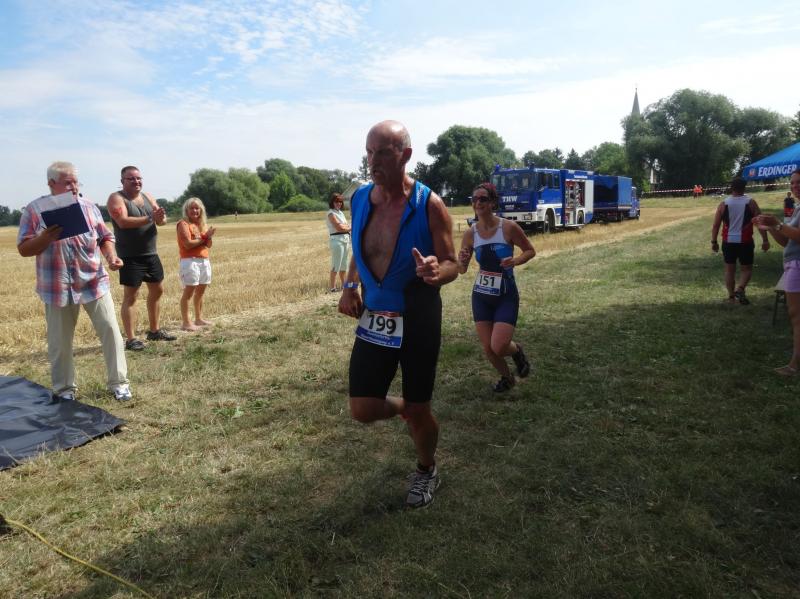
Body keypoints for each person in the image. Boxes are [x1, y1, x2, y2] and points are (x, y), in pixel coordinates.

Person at [338, 120, 458, 508]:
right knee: (363, 408)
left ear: (405, 155)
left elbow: (453, 262)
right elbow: (360, 247)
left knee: (421, 410)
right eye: (369, 152)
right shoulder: (360, 199)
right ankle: (410, 406)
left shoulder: (429, 205)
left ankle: (426, 469)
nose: (372, 161)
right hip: (376, 317)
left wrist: (438, 271)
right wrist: (350, 285)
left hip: (418, 316)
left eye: (383, 153)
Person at [17, 162, 132, 402]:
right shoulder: (34, 210)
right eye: (67, 182)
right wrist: (45, 238)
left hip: (94, 281)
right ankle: (65, 390)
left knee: (111, 331)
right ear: (51, 183)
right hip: (57, 286)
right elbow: (24, 249)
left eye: (76, 182)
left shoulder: (89, 206)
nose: (74, 187)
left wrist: (111, 256)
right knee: (60, 342)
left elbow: (105, 237)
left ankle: (119, 383)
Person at [457, 182, 535, 392]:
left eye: (483, 199)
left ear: (493, 202)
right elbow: (462, 269)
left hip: (506, 294)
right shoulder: (470, 233)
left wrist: (515, 261)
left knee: (499, 346)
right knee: (489, 349)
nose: (478, 203)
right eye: (474, 199)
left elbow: (530, 251)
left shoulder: (508, 227)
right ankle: (507, 378)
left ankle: (516, 351)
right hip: (481, 296)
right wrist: (461, 260)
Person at [107, 166, 176, 350]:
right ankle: (131, 339)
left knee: (157, 290)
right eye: (131, 179)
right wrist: (150, 218)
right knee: (131, 296)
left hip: (151, 253)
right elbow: (122, 221)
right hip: (130, 256)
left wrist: (160, 218)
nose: (136, 181)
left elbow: (161, 221)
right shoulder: (116, 198)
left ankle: (154, 331)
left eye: (138, 178)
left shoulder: (148, 196)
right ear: (122, 181)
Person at [753, 169, 800, 376]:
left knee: (797, 317)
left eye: (799, 183)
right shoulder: (797, 208)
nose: (795, 186)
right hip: (792, 264)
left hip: (798, 265)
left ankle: (794, 365)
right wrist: (770, 227)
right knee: (795, 316)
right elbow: (785, 241)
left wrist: (778, 224)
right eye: (792, 183)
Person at [711, 177, 769, 304]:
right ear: (744, 188)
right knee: (746, 269)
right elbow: (760, 223)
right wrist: (765, 240)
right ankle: (740, 288)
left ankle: (731, 297)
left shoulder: (723, 204)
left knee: (729, 270)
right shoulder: (751, 203)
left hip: (728, 242)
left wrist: (714, 242)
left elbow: (716, 225)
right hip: (746, 241)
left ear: (732, 188)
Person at [176, 198, 215, 331]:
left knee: (200, 292)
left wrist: (209, 237)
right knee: (189, 292)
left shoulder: (202, 225)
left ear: (201, 210)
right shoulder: (183, 224)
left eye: (197, 208)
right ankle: (186, 323)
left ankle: (198, 319)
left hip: (204, 260)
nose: (195, 210)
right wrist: (204, 237)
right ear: (186, 210)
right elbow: (187, 244)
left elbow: (209, 245)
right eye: (192, 208)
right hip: (190, 261)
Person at [326, 193, 351, 292]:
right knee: (336, 264)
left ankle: (344, 286)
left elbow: (344, 226)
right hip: (337, 241)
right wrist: (348, 227)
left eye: (340, 201)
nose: (339, 203)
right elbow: (339, 228)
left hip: (346, 240)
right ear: (332, 202)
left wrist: (345, 227)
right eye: (336, 201)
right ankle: (332, 288)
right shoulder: (331, 213)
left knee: (344, 265)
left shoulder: (341, 213)